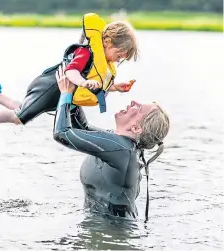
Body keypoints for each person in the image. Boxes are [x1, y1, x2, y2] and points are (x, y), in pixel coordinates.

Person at [0, 13, 138, 131]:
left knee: (23, 108)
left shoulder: (102, 63)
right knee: (18, 118)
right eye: (118, 55)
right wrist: (83, 83)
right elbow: (71, 72)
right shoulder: (86, 53)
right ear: (107, 42)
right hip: (49, 88)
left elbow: (96, 82)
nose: (117, 60)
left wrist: (115, 87)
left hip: (59, 93)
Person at [53, 64, 170, 221]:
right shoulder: (118, 143)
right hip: (99, 225)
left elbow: (62, 133)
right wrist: (77, 89)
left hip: (114, 230)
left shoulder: (120, 149)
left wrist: (66, 94)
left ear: (136, 128)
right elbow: (81, 127)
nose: (133, 102)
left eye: (139, 108)